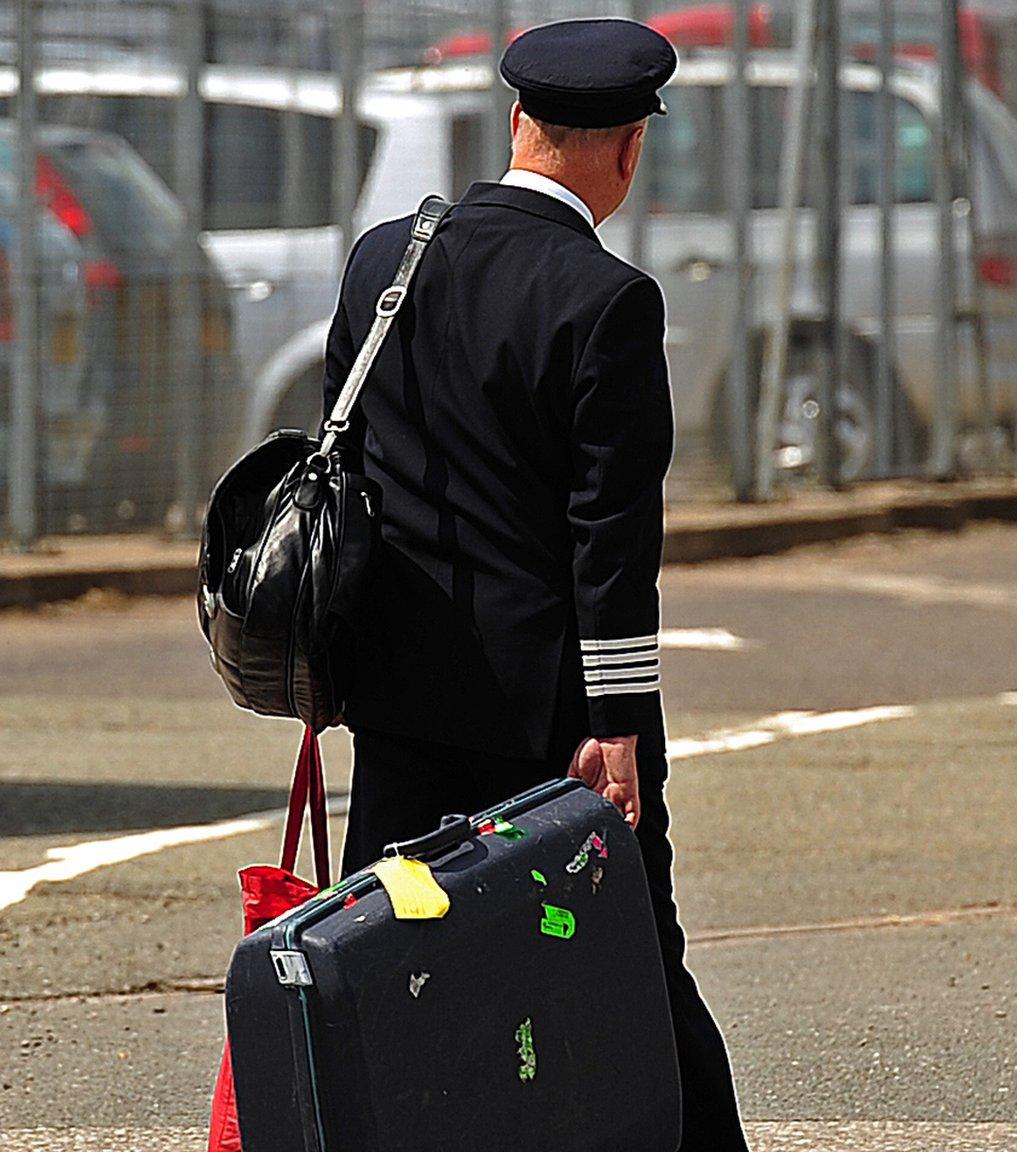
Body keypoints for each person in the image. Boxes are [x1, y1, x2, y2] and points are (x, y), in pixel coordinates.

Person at [320, 18, 748, 1151]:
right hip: (549, 709)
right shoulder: (603, 300)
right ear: (627, 151)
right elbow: (611, 541)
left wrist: (334, 669)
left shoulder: (384, 260)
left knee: (392, 951)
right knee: (631, 957)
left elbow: (346, 473)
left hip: (401, 695)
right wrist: (615, 724)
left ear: (517, 124)